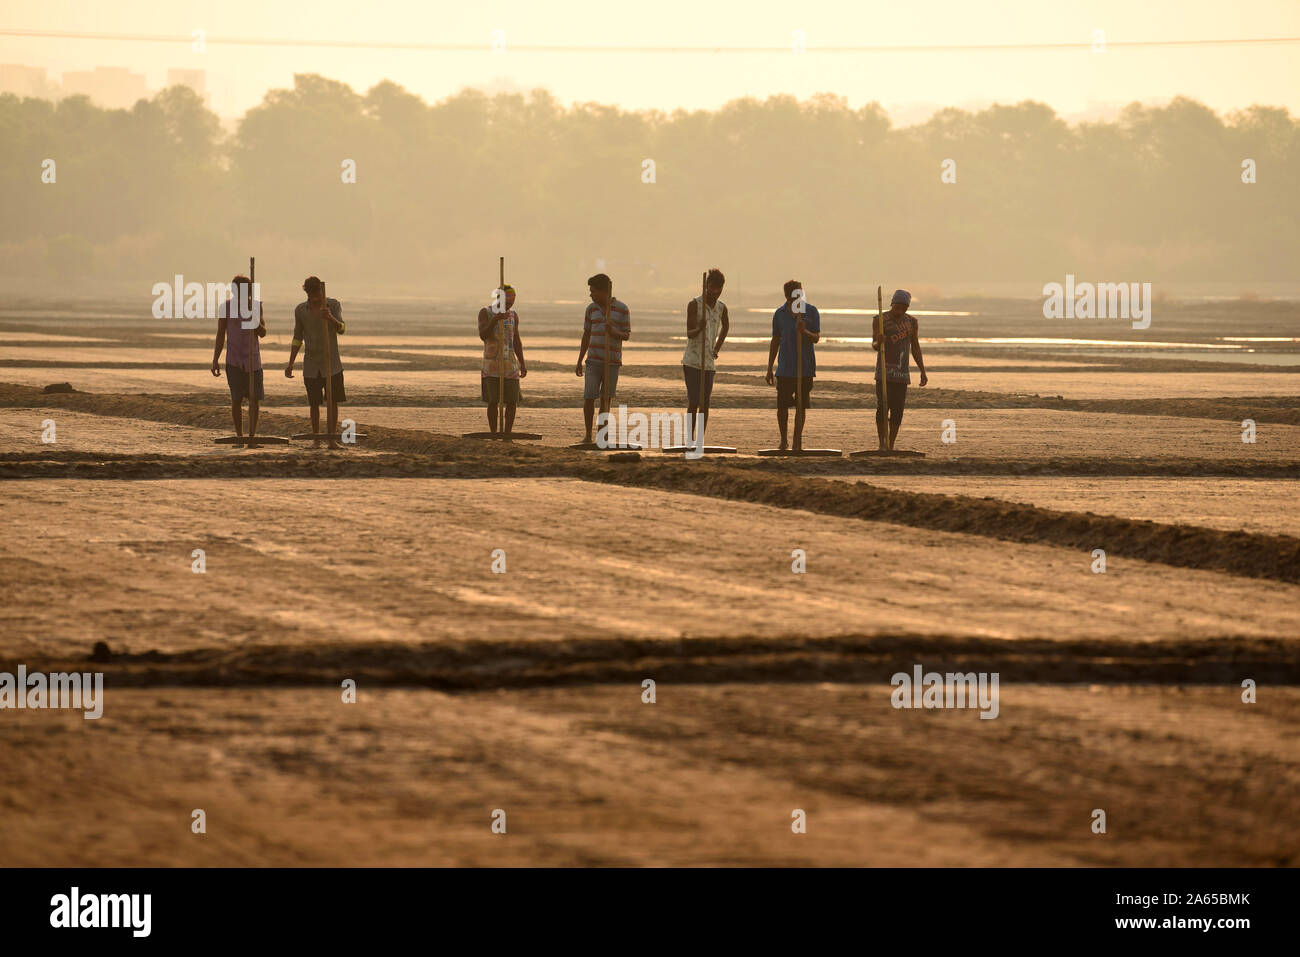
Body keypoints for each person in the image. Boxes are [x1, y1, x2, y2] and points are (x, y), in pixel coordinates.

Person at [286, 276, 346, 450]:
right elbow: (297, 338)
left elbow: (342, 328)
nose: (316, 298)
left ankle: (332, 439)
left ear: (321, 291)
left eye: (317, 294)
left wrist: (330, 318)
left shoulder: (333, 305)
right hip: (311, 364)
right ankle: (316, 440)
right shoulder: (300, 310)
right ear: (307, 293)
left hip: (332, 363)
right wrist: (290, 363)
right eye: (312, 295)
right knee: (314, 403)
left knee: (332, 401)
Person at [574, 273, 630, 444]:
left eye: (593, 291)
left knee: (606, 399)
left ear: (604, 291)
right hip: (593, 361)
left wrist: (613, 331)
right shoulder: (591, 309)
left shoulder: (622, 309)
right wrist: (579, 359)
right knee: (589, 397)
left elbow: (626, 335)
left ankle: (602, 435)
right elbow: (586, 334)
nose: (591, 294)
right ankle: (588, 435)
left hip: (611, 362)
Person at [765, 279, 820, 451]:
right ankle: (784, 440)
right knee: (782, 406)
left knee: (801, 406)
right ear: (788, 296)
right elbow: (775, 340)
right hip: (785, 368)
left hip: (805, 367)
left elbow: (816, 337)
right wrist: (769, 368)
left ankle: (797, 440)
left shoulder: (811, 312)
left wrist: (804, 331)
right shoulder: (779, 314)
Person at [210, 274, 266, 439]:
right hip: (233, 360)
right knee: (236, 399)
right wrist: (215, 360)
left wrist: (253, 318)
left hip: (252, 360)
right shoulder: (225, 307)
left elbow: (262, 333)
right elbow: (221, 334)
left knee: (254, 400)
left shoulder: (256, 306)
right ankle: (239, 435)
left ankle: (252, 436)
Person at [873, 288, 928, 450]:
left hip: (902, 374)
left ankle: (891, 444)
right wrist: (879, 341)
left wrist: (922, 371)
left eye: (903, 308)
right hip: (883, 372)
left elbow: (915, 347)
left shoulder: (912, 322)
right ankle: (882, 443)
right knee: (882, 408)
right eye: (897, 307)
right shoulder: (880, 319)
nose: (900, 311)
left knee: (898, 410)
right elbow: (874, 346)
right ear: (892, 304)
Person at [682, 268, 729, 444]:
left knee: (705, 403)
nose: (716, 292)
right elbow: (689, 333)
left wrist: (717, 348)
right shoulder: (694, 304)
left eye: (719, 289)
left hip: (708, 363)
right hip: (693, 361)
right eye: (713, 288)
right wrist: (699, 327)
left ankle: (700, 440)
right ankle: (689, 439)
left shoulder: (722, 307)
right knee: (694, 402)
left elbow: (726, 327)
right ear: (706, 286)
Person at [477, 283, 528, 433]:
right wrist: (495, 319)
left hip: (510, 364)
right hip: (491, 365)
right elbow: (483, 335)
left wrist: (522, 363)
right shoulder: (486, 312)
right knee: (493, 401)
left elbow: (516, 340)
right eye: (508, 298)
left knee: (512, 401)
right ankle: (494, 433)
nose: (511, 301)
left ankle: (507, 433)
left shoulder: (513, 315)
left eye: (513, 298)